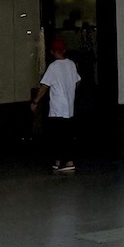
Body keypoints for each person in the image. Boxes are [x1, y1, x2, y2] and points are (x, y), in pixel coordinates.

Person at [33, 40, 80, 174]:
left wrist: (35, 101)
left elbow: (45, 86)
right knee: (68, 135)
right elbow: (77, 81)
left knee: (56, 136)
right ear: (64, 50)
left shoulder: (53, 67)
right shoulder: (71, 64)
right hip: (69, 107)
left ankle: (62, 162)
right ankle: (64, 161)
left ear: (52, 52)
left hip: (57, 108)